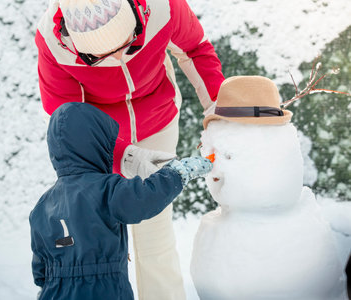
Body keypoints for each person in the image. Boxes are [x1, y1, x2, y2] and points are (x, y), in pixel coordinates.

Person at [34, 0, 224, 298]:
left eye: (130, 44)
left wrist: (218, 111)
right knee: (100, 238)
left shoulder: (164, 7)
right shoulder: (52, 42)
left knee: (154, 234)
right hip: (100, 143)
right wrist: (125, 156)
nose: (120, 58)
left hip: (158, 121)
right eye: (100, 57)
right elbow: (68, 117)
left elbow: (195, 49)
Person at [29, 102, 213, 300]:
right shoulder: (105, 188)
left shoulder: (42, 205)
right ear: (97, 145)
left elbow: (40, 268)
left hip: (55, 291)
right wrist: (177, 173)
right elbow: (143, 199)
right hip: (102, 289)